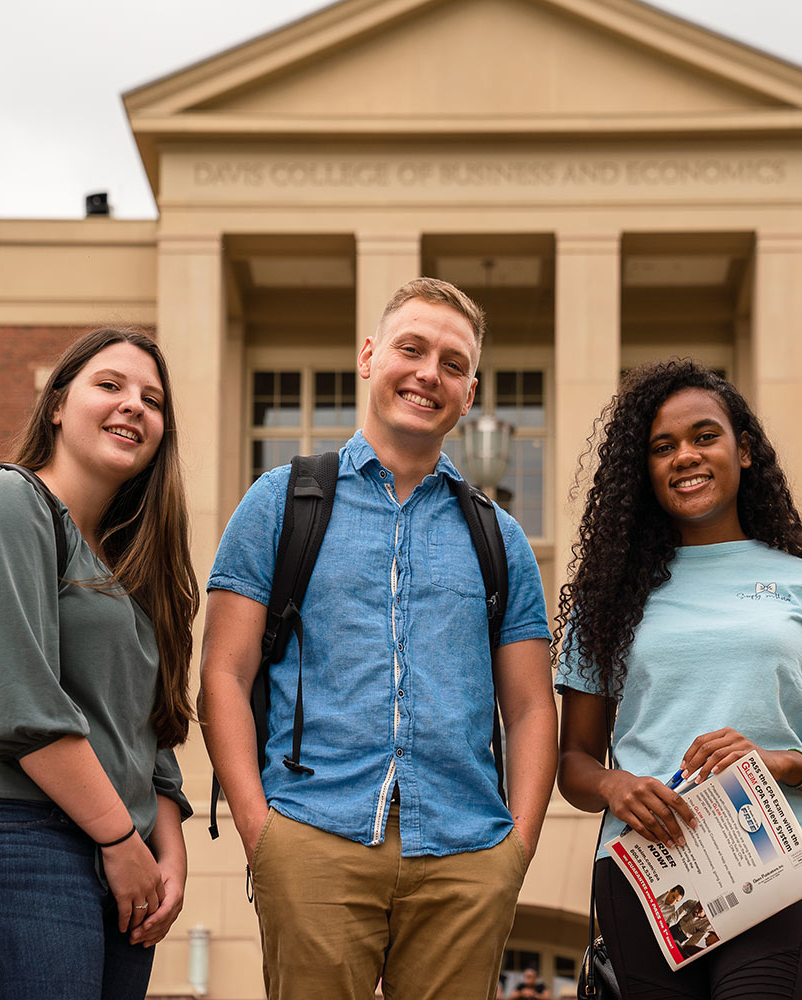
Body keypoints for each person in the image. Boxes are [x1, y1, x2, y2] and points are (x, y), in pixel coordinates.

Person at [199, 278, 557, 1000]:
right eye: (411, 348)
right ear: (369, 357)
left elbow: (529, 707)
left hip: (466, 851)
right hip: (312, 835)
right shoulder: (279, 502)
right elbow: (223, 676)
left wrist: (514, 852)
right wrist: (260, 834)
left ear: (471, 390)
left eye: (452, 364)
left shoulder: (500, 536)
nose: (429, 373)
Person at [555, 359, 802, 999]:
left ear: (746, 450)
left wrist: (781, 763)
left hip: (769, 858)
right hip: (645, 866)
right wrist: (615, 785)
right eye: (662, 447)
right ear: (642, 471)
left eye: (705, 436)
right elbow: (574, 761)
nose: (686, 456)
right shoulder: (608, 599)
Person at [0, 329, 198, 1000]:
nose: (134, 406)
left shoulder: (127, 571)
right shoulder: (4, 501)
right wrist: (123, 840)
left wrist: (167, 852)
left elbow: (153, 729)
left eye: (153, 400)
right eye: (110, 385)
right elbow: (17, 704)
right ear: (58, 405)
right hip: (4, 829)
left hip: (117, 858)